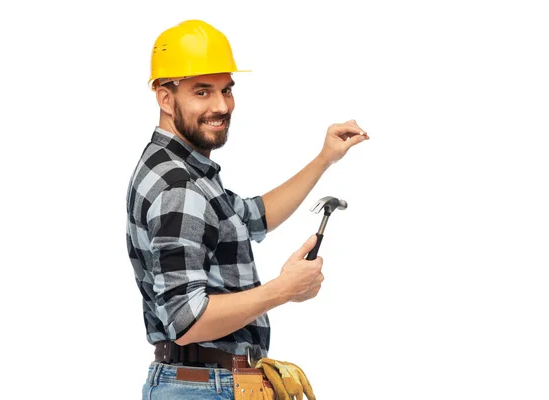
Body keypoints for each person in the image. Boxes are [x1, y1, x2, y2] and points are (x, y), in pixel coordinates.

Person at [126, 19, 369, 399]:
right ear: (165, 98)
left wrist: (325, 158)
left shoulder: (186, 170)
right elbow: (185, 320)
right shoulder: (179, 185)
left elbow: (251, 216)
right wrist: (282, 290)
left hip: (206, 385)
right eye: (202, 92)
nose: (221, 106)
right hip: (203, 389)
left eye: (226, 90)